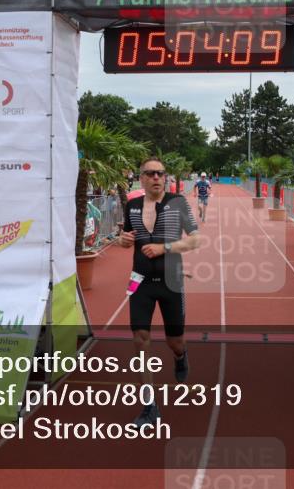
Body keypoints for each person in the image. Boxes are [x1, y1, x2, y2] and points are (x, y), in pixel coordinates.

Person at [117, 157, 200, 427]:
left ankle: (180, 355)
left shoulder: (178, 203)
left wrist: (165, 248)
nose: (156, 177)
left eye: (160, 173)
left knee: (174, 340)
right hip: (140, 282)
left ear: (165, 178)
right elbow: (126, 239)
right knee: (140, 339)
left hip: (171, 282)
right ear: (141, 178)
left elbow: (195, 240)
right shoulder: (132, 206)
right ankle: (149, 405)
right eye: (150, 173)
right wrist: (122, 240)